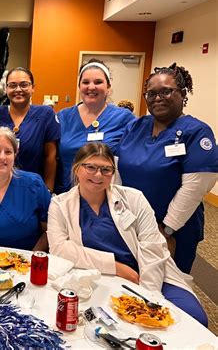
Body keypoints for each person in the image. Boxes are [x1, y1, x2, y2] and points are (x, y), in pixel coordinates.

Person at [47, 142, 208, 326]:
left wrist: (149, 295)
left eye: (106, 169)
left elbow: (153, 246)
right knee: (113, 327)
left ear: (113, 173)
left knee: (194, 319)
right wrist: (117, 268)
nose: (98, 175)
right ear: (77, 169)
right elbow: (60, 249)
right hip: (99, 277)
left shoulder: (134, 199)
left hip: (151, 272)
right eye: (90, 167)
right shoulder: (60, 205)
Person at [117, 63, 218, 273]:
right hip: (131, 223)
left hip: (173, 229)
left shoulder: (196, 132)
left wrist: (166, 229)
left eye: (166, 91)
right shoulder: (135, 126)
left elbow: (195, 187)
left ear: (182, 93)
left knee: (168, 287)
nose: (157, 98)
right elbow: (117, 169)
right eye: (151, 93)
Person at [0, 67, 59, 192]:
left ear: (32, 88)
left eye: (24, 85)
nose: (18, 89)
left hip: (33, 189)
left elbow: (50, 156)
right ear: (6, 88)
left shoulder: (45, 114)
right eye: (12, 85)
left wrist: (48, 190)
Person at [56, 59, 135, 193]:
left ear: (108, 87)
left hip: (105, 196)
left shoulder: (123, 118)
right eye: (85, 82)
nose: (91, 87)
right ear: (79, 86)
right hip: (67, 195)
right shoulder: (63, 117)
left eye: (98, 82)